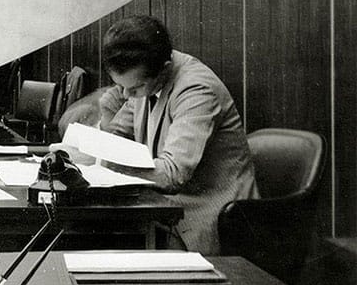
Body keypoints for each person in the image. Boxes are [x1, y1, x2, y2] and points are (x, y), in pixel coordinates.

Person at [78, 15, 256, 253]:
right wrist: (85, 145)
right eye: (120, 86)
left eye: (134, 88)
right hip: (164, 210)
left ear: (164, 69)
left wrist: (106, 162)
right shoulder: (143, 76)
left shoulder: (197, 90)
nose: (126, 95)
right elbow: (117, 134)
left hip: (206, 218)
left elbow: (173, 174)